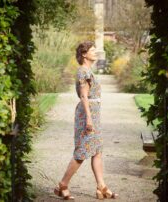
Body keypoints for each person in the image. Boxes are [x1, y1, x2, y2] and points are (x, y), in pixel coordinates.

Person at [53, 41, 118, 200]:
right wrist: (89, 119)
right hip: (87, 114)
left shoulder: (88, 70)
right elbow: (84, 96)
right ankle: (62, 185)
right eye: (92, 50)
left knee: (97, 150)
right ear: (84, 54)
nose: (95, 52)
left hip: (93, 113)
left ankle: (101, 186)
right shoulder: (83, 71)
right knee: (82, 152)